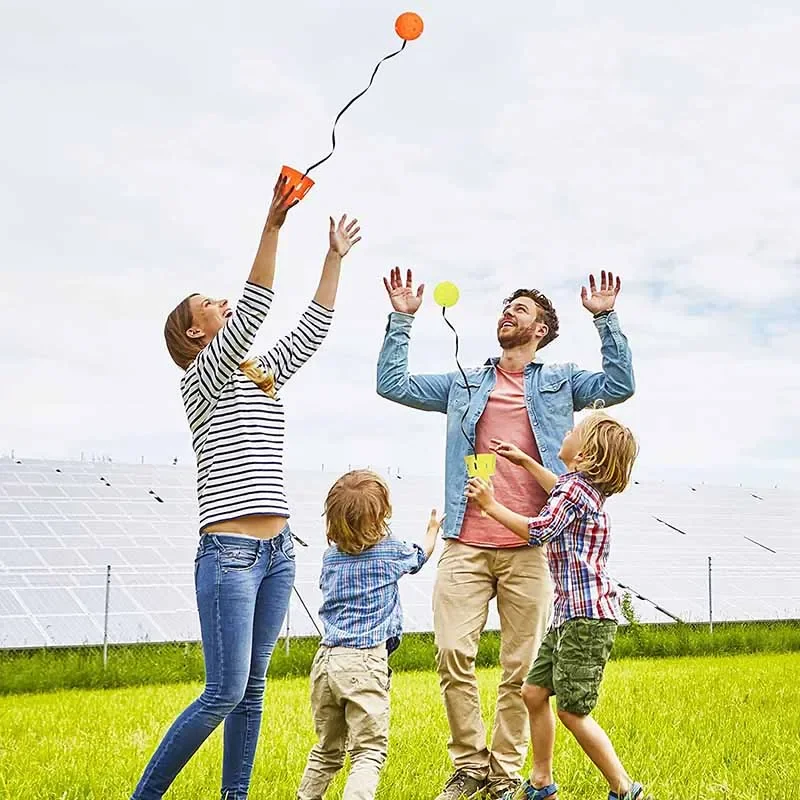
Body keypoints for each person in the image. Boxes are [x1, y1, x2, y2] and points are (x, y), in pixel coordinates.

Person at [130, 175, 361, 800]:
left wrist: (333, 258)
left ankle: (236, 796)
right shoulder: (203, 377)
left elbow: (312, 329)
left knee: (252, 690)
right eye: (209, 302)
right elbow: (256, 304)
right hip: (229, 555)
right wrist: (273, 225)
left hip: (278, 552)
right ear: (195, 333)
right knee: (224, 690)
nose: (223, 302)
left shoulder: (257, 375)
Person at [376, 268, 635, 799]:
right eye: (505, 307)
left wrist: (605, 318)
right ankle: (470, 766)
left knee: (521, 670)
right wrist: (402, 319)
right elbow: (392, 384)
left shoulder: (561, 380)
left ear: (540, 330)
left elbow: (620, 385)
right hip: (465, 541)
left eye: (520, 309)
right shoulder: (464, 382)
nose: (507, 314)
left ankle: (504, 774)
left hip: (532, 547)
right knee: (452, 654)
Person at [465, 412, 651, 800]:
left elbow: (540, 530)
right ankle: (541, 783)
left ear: (583, 456)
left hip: (587, 620)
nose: (567, 432)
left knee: (572, 711)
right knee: (533, 693)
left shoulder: (575, 493)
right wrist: (525, 461)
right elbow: (558, 488)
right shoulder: (578, 489)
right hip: (570, 617)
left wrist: (491, 505)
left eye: (574, 432)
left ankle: (625, 788)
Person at [296, 469, 442, 800]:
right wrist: (432, 529)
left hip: (326, 662)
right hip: (364, 662)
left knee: (326, 750)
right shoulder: (390, 551)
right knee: (368, 752)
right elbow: (420, 555)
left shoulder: (330, 558)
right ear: (380, 515)